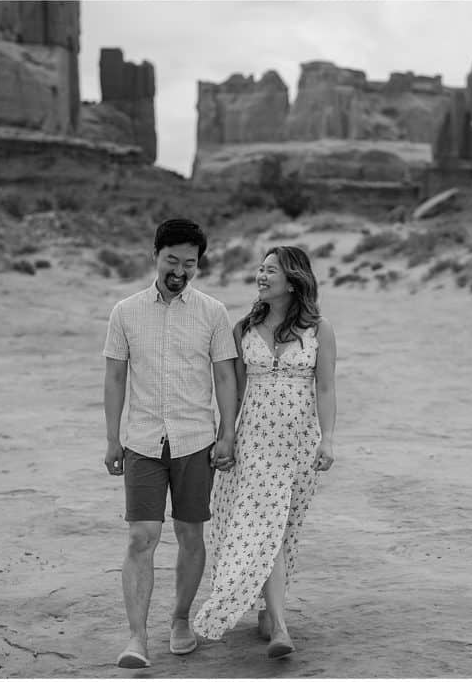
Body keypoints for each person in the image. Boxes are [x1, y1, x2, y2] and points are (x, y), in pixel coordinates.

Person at [102, 218, 239, 668]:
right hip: (142, 440)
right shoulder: (125, 312)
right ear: (155, 256)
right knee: (142, 536)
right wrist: (112, 440)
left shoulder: (213, 313)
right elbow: (116, 377)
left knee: (190, 534)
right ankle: (137, 638)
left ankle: (180, 619)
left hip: (195, 440)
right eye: (172, 260)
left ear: (198, 265)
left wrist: (227, 433)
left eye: (190, 263)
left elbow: (224, 376)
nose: (180, 271)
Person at [193, 245, 337, 659]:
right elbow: (232, 392)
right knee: (264, 526)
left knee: (285, 527)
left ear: (292, 280)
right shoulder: (242, 329)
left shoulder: (319, 330)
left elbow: (325, 387)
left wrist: (327, 438)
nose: (260, 275)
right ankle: (280, 627)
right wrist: (226, 437)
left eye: (270, 270)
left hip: (298, 444)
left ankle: (267, 609)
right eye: (260, 268)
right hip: (256, 441)